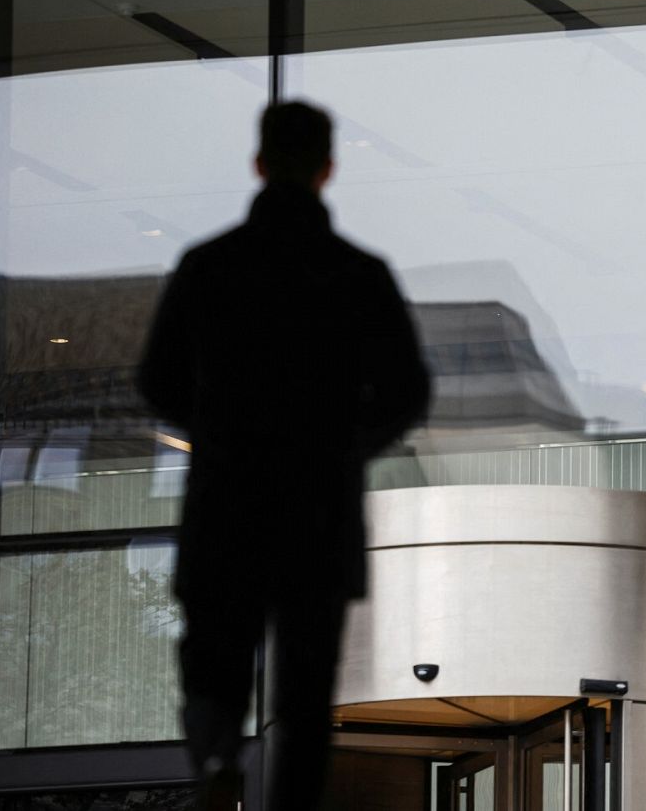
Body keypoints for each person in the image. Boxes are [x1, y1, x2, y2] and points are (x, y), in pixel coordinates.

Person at [138, 101, 431, 810]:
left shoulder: (209, 267)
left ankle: (215, 762)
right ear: (328, 168)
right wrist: (344, 448)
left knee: (215, 662)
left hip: (228, 501)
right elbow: (409, 392)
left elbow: (156, 380)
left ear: (259, 164)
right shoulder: (357, 273)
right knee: (304, 695)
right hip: (317, 512)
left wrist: (215, 434)